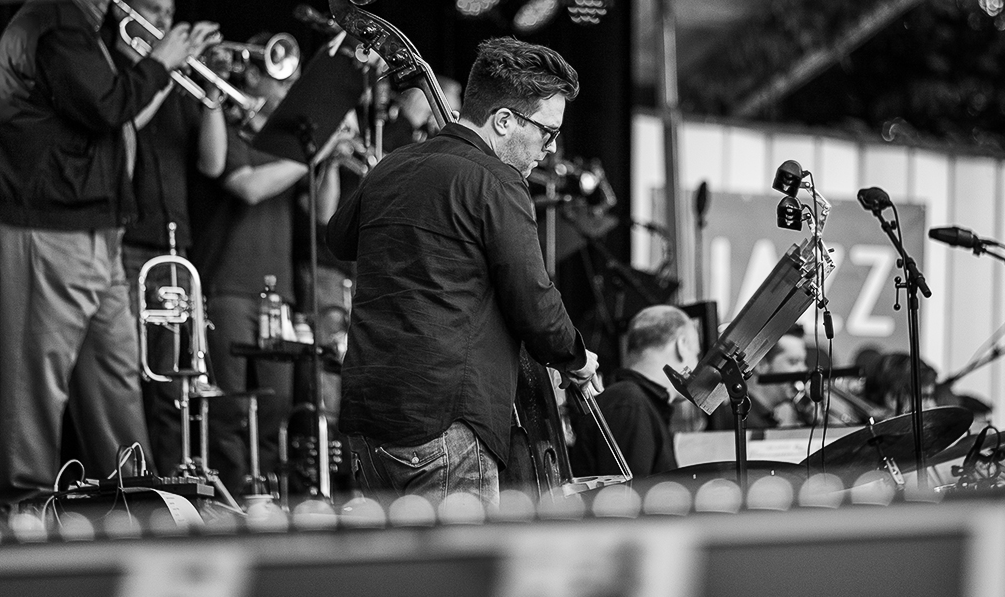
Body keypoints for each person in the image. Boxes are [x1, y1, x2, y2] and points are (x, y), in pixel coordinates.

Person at [326, 36, 602, 508]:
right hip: (445, 422)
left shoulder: (391, 166)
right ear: (503, 120)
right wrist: (575, 359)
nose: (550, 149)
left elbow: (339, 239)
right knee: (458, 581)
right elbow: (533, 300)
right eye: (546, 132)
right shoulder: (497, 181)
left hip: (369, 420)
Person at [0, 0, 219, 510]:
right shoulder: (56, 22)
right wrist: (161, 61)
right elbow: (109, 107)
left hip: (96, 228)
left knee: (116, 378)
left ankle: (135, 505)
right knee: (37, 384)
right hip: (52, 225)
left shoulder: (82, 28)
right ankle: (26, 510)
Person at [189, 34, 348, 501]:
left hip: (277, 294)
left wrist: (331, 164)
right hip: (227, 287)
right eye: (284, 77)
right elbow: (250, 187)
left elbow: (322, 214)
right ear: (254, 74)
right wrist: (314, 154)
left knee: (277, 410)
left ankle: (270, 502)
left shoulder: (286, 145)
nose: (293, 87)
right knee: (230, 412)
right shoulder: (234, 131)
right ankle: (229, 504)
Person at [110, 0, 228, 477]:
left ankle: (170, 485)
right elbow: (127, 123)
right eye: (154, 9)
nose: (165, 18)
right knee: (133, 375)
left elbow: (214, 162)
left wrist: (214, 100)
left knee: (174, 381)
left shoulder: (176, 84)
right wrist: (163, 68)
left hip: (175, 246)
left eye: (170, 11)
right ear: (130, 12)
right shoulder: (118, 72)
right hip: (129, 241)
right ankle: (131, 484)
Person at [570, 305, 701, 481]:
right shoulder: (629, 402)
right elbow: (629, 501)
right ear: (682, 345)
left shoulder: (631, 401)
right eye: (697, 354)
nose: (696, 364)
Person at [708, 324, 807, 430]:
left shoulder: (759, 418)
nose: (803, 369)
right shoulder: (740, 421)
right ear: (761, 365)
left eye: (804, 362)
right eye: (794, 362)